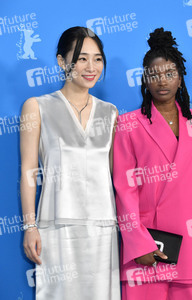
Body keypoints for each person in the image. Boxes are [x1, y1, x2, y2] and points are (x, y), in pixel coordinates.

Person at [113, 28, 192, 300]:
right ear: (145, 80)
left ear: (180, 78)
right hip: (149, 246)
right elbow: (124, 189)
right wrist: (137, 244)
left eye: (169, 73)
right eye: (154, 75)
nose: (161, 81)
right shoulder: (128, 125)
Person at [20, 27, 120, 299]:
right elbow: (28, 171)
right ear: (62, 61)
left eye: (97, 58)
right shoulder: (37, 106)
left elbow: (115, 176)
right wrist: (30, 227)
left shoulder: (110, 113)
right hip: (57, 227)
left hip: (102, 229)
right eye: (82, 58)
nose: (91, 67)